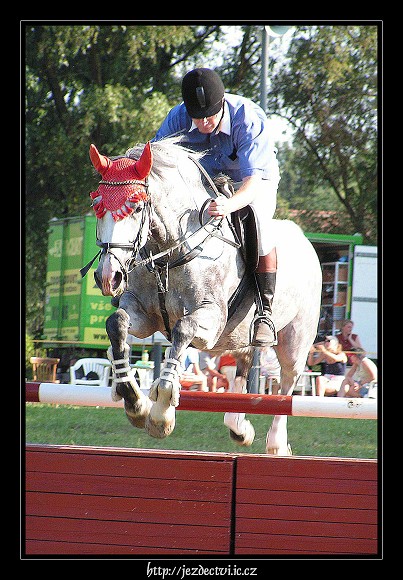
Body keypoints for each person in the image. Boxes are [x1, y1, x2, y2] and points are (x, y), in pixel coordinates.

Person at [153, 67, 281, 347]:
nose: (203, 124)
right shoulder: (178, 117)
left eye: (210, 116)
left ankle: (265, 313)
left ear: (223, 102)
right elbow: (153, 160)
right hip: (205, 182)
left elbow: (252, 182)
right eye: (197, 118)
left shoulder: (247, 117)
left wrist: (230, 204)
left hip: (252, 181)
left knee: (259, 225)